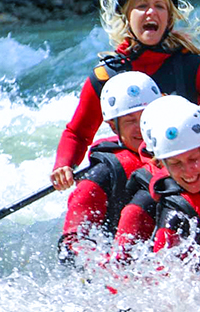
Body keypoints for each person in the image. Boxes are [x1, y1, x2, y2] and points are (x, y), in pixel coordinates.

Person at [50, 0, 200, 192]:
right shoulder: (105, 77)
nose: (151, 12)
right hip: (136, 177)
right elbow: (78, 134)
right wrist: (64, 165)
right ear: (127, 16)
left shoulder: (194, 66)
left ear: (168, 18)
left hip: (187, 172)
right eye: (141, 6)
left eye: (159, 6)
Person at [57, 70, 163, 266]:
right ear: (114, 127)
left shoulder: (180, 157)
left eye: (145, 116)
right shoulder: (102, 174)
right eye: (130, 121)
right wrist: (104, 267)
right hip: (120, 262)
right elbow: (72, 241)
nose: (141, 127)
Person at [115, 94, 200, 263]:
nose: (188, 171)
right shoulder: (172, 213)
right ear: (162, 163)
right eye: (175, 163)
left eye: (193, 160)